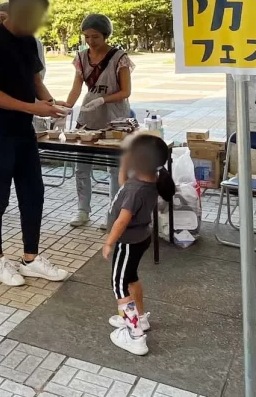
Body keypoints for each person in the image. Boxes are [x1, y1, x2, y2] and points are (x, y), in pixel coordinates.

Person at [0, 0, 70, 287]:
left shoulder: (29, 41)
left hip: (22, 129)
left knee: (33, 192)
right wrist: (33, 107)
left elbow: (35, 81)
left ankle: (30, 258)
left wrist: (51, 104)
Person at [102, 133, 175, 356]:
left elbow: (122, 220)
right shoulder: (149, 179)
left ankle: (135, 336)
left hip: (127, 242)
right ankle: (140, 318)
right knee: (131, 277)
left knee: (119, 284)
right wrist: (125, 162)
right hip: (140, 238)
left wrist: (109, 242)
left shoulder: (137, 190)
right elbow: (123, 183)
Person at [64, 14, 134, 227]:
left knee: (115, 168)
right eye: (86, 36)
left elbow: (126, 91)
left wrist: (103, 99)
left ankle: (113, 214)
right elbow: (76, 88)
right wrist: (66, 106)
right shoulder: (81, 57)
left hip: (115, 117)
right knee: (82, 165)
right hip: (89, 116)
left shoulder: (119, 57)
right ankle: (82, 211)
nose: (90, 41)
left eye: (95, 36)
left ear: (105, 35)